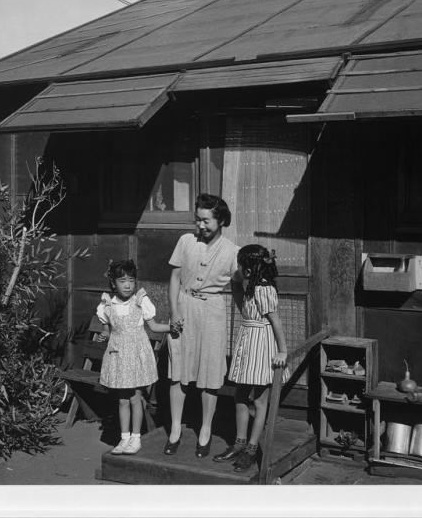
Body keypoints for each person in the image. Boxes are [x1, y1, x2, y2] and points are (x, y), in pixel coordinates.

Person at [165, 193, 242, 457]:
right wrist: (174, 311)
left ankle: (205, 430)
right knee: (179, 370)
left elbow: (240, 286)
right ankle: (175, 429)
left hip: (212, 311)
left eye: (206, 221)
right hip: (184, 307)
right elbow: (174, 278)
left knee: (210, 373)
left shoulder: (233, 251)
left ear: (220, 220)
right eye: (198, 220)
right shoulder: (186, 241)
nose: (200, 226)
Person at [212, 244, 290, 472]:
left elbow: (275, 322)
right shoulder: (249, 286)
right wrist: (241, 274)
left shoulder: (264, 290)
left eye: (240, 264)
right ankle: (239, 443)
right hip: (248, 341)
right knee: (240, 396)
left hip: (263, 345)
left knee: (259, 401)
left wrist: (283, 351)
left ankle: (252, 448)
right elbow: (235, 283)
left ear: (249, 269)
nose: (237, 268)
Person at [96, 259, 181, 455]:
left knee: (135, 397)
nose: (127, 285)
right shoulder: (107, 304)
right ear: (113, 283)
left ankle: (136, 437)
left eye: (131, 281)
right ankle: (124, 438)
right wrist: (103, 335)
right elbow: (107, 331)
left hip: (136, 355)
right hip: (117, 356)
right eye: (122, 281)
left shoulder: (141, 300)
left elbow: (154, 326)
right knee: (122, 400)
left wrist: (172, 327)